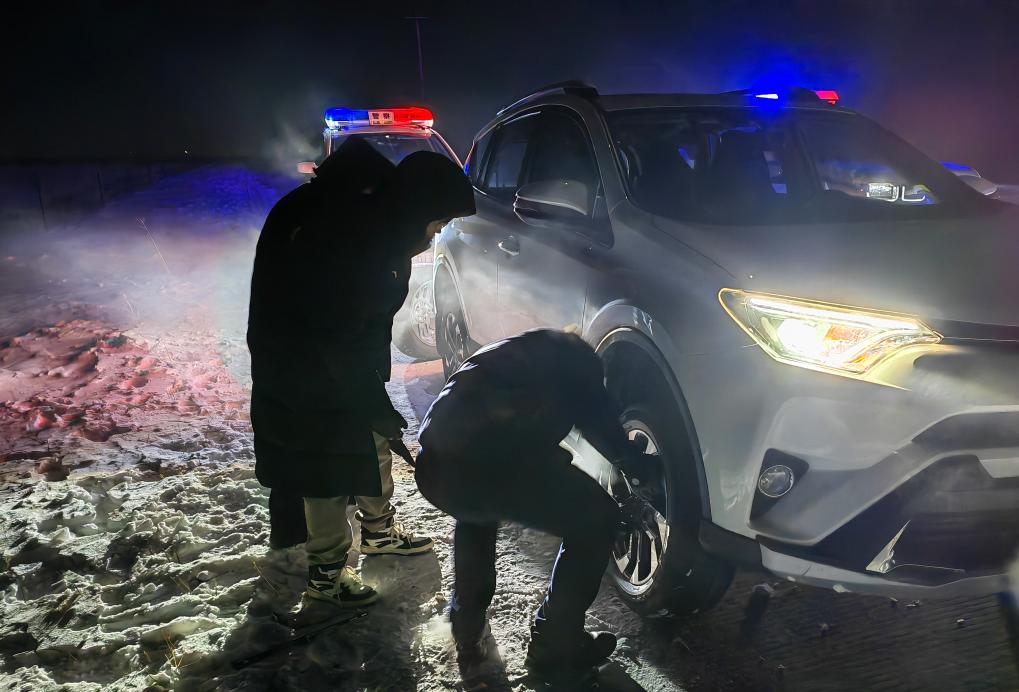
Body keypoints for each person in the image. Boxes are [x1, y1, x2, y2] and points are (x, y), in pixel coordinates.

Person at [247, 137, 475, 607]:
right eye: (440, 220)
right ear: (419, 206)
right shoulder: (346, 229)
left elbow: (361, 320)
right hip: (304, 365)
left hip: (334, 358)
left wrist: (373, 393)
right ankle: (327, 576)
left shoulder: (371, 218)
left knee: (371, 440)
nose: (437, 232)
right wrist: (372, 401)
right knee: (325, 464)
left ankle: (378, 532)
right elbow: (335, 330)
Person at [414, 328, 660, 682]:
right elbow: (603, 427)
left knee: (476, 515)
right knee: (596, 518)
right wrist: (639, 465)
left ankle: (467, 629)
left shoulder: (505, 350)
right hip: (492, 468)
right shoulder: (581, 365)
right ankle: (555, 645)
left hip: (435, 469)